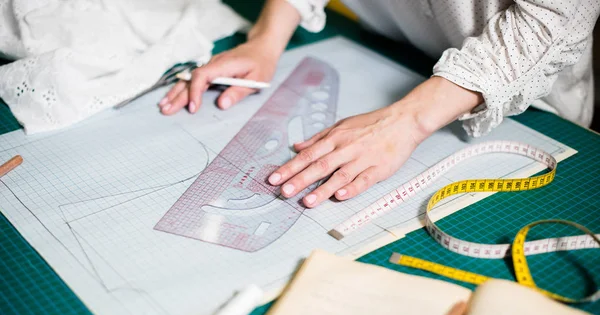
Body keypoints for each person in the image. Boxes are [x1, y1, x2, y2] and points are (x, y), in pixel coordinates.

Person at [159, 0, 599, 208]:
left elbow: (553, 19)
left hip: (530, 103)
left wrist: (406, 120)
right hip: (393, 49)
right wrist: (269, 37)